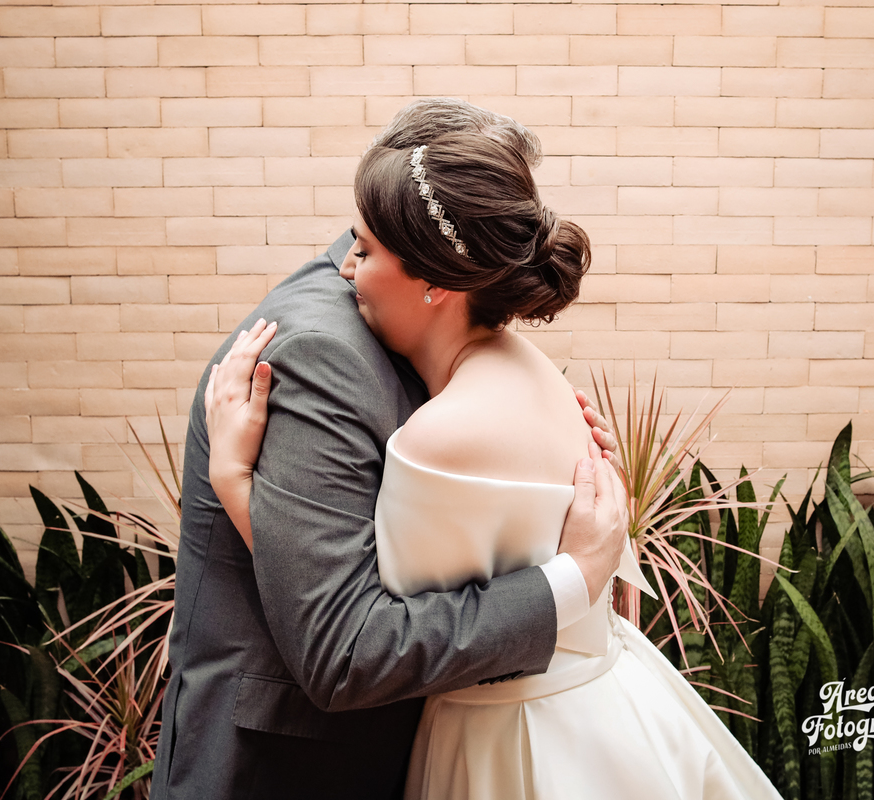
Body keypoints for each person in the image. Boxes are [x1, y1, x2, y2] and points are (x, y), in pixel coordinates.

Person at [206, 128, 786, 799]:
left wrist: (235, 479)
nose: (345, 270)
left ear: (431, 282)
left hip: (526, 747)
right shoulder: (532, 371)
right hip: (607, 706)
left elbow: (366, 638)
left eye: (364, 250)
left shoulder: (441, 434)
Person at [150, 99, 634, 800]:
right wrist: (573, 578)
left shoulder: (469, 354)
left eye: (367, 245)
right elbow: (346, 643)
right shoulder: (324, 353)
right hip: (287, 773)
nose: (349, 267)